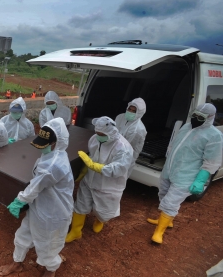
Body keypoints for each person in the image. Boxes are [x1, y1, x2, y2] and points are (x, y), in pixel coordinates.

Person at [0, 119, 74, 277]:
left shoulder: (55, 164)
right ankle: (17, 263)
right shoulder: (51, 154)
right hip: (39, 206)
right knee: (22, 235)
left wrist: (19, 200)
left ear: (56, 142)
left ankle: (51, 268)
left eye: (46, 144)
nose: (42, 147)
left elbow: (35, 186)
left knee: (48, 245)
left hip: (53, 213)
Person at [147, 103, 223, 244]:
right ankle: (166, 220)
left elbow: (212, 161)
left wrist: (200, 180)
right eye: (194, 115)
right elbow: (174, 144)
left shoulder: (215, 136)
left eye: (200, 117)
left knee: (171, 202)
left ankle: (159, 232)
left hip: (187, 175)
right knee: (163, 194)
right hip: (170, 169)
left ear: (210, 118)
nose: (195, 118)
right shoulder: (186, 126)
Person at [65, 117, 133, 242]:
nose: (99, 136)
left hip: (108, 185)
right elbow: (92, 155)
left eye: (102, 134)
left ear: (111, 132)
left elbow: (118, 169)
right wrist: (85, 170)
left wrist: (92, 165)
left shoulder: (123, 148)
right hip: (89, 180)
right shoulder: (94, 139)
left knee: (103, 210)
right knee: (80, 204)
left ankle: (100, 220)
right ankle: (75, 231)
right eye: (97, 133)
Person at [115, 98, 147, 177]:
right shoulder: (120, 117)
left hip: (125, 157)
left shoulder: (138, 129)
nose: (130, 112)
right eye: (129, 109)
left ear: (139, 113)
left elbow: (126, 147)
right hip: (114, 151)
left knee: (117, 181)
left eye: (134, 111)